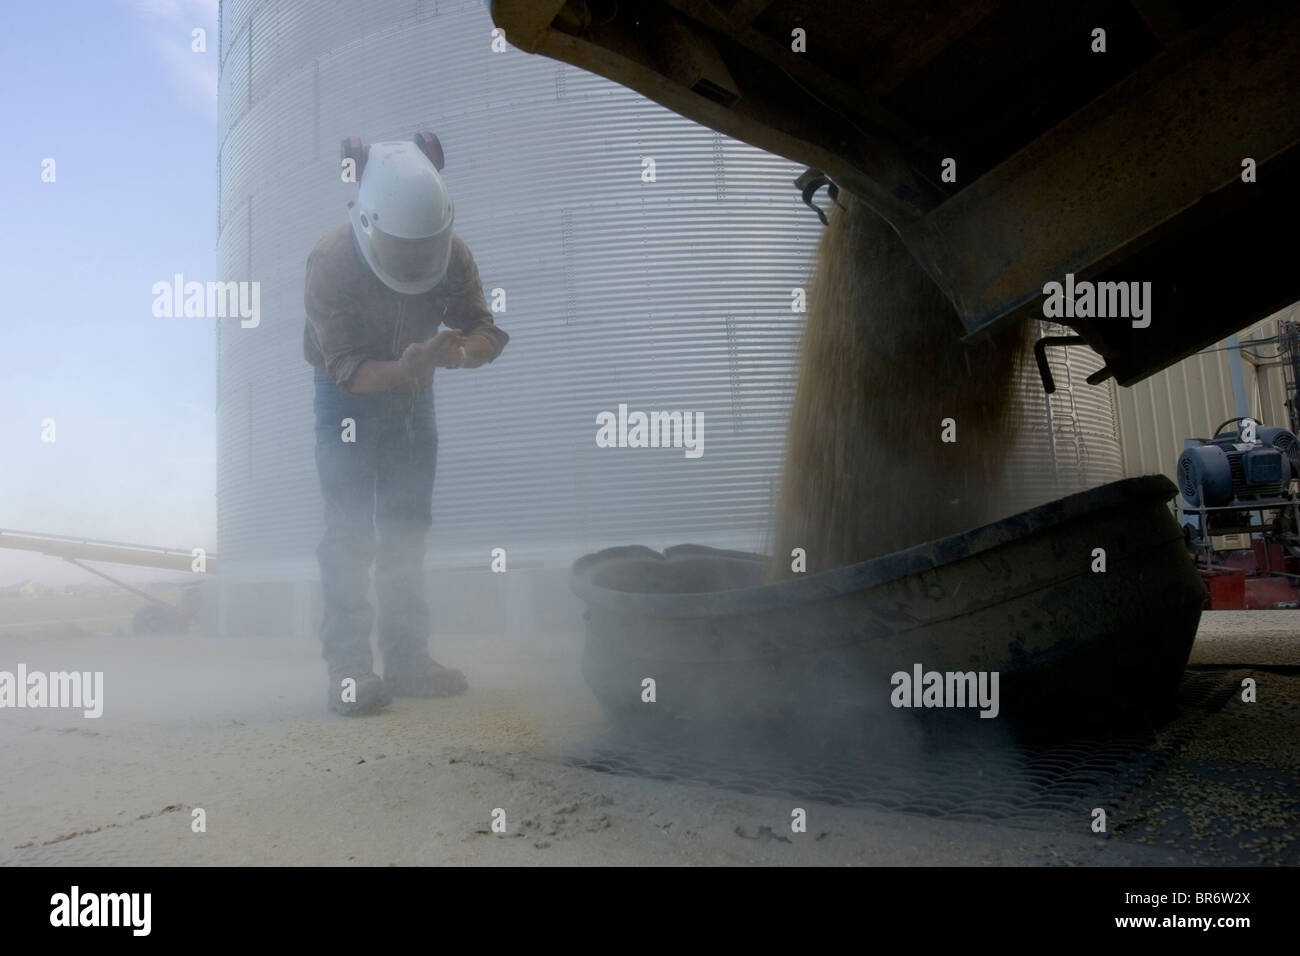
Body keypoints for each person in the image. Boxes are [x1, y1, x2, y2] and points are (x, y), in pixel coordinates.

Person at [303, 140, 508, 715]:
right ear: (370, 227)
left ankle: (409, 663)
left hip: (414, 395)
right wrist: (407, 369)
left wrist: (458, 355)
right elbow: (346, 370)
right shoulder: (332, 261)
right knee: (348, 532)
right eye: (404, 250)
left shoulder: (456, 257)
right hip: (345, 398)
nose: (418, 264)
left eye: (428, 250)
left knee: (405, 528)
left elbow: (484, 332)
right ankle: (348, 671)